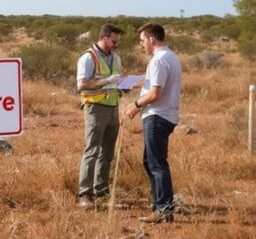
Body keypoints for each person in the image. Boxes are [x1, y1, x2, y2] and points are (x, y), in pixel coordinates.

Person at [124, 23, 182, 223]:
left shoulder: (158, 60)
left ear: (151, 39)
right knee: (151, 161)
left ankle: (163, 209)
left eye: (142, 41)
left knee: (156, 164)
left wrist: (135, 105)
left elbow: (156, 93)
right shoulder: (170, 57)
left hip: (157, 116)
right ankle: (161, 204)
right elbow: (155, 84)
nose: (141, 45)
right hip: (164, 115)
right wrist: (133, 82)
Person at [76, 23, 125, 208]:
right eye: (113, 41)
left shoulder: (116, 58)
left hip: (113, 107)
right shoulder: (88, 58)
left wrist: (124, 84)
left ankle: (102, 191)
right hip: (95, 108)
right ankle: (85, 194)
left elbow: (118, 81)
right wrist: (106, 81)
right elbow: (82, 85)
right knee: (92, 150)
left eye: (117, 42)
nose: (115, 44)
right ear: (104, 37)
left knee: (107, 152)